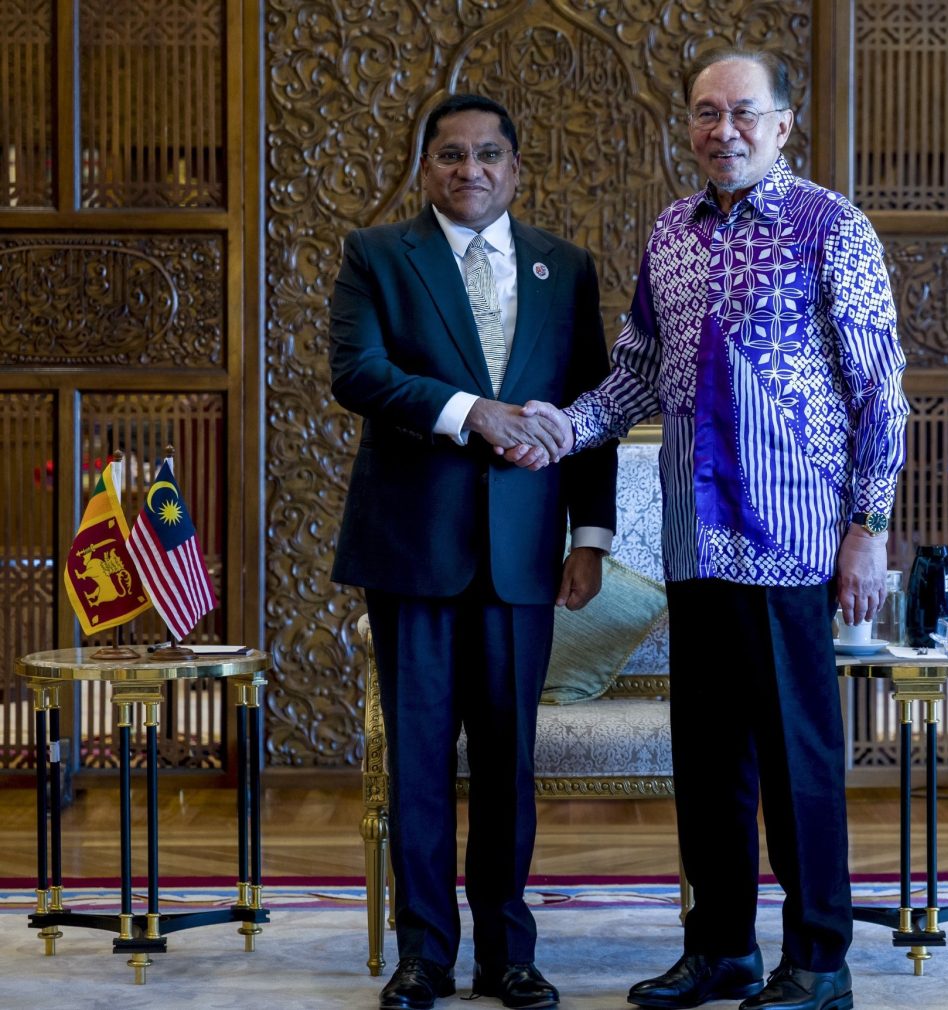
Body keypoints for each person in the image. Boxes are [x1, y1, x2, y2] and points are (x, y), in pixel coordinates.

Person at [507, 48, 908, 1010]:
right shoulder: (672, 232)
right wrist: (561, 427)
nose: (722, 130)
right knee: (708, 759)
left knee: (797, 761)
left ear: (782, 125)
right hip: (695, 540)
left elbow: (881, 391)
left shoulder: (830, 227)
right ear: (687, 125)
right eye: (704, 113)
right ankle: (722, 948)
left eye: (742, 112)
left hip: (789, 540)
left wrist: (868, 528)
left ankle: (819, 962)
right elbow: (637, 374)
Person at [328, 93, 617, 1010]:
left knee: (506, 762)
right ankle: (424, 956)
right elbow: (357, 373)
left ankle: (507, 955)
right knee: (418, 759)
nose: (471, 170)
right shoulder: (377, 255)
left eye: (489, 154)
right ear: (425, 168)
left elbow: (594, 410)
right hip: (412, 549)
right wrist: (471, 413)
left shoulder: (565, 267)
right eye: (451, 155)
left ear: (515, 168)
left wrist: (591, 537)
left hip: (524, 555)